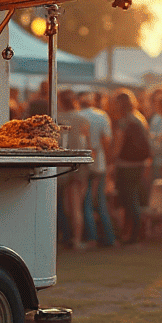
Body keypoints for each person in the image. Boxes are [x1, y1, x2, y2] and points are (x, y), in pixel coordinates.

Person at [78, 91, 118, 247]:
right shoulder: (102, 116)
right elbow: (107, 141)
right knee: (101, 201)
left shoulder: (79, 116)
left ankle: (92, 237)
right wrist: (109, 163)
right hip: (99, 162)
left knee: (86, 201)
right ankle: (109, 237)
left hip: (83, 162)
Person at [112, 90, 151, 244]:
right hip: (140, 164)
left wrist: (112, 160)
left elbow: (119, 144)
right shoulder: (139, 118)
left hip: (126, 165)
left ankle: (133, 234)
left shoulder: (125, 121)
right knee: (133, 197)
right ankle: (134, 233)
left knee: (129, 199)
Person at [56, 90, 90, 250]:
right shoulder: (82, 119)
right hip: (78, 164)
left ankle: (66, 237)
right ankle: (76, 239)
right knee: (76, 206)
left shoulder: (57, 118)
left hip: (61, 165)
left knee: (64, 206)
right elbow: (88, 144)